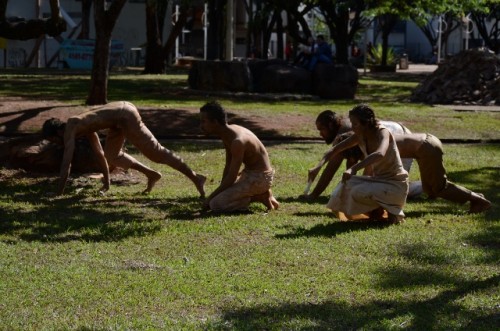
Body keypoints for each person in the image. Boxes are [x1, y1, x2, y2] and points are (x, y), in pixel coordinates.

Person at [42, 101, 206, 196]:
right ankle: (152, 175)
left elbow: (66, 162)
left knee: (156, 153)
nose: (57, 144)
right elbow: (101, 155)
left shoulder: (72, 125)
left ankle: (196, 178)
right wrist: (106, 184)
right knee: (111, 155)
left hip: (125, 114)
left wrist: (58, 192)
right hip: (117, 121)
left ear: (58, 132)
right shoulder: (84, 128)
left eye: (54, 140)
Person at [309, 104, 409, 223]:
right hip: (379, 181)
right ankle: (376, 212)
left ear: (366, 123)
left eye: (355, 124)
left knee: (358, 191)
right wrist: (318, 167)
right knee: (346, 184)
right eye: (351, 123)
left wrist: (354, 168)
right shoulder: (360, 135)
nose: (352, 127)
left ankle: (392, 212)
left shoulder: (382, 132)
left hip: (395, 184)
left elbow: (380, 153)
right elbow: (335, 150)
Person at [301, 109, 419, 200]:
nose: (320, 134)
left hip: (399, 136)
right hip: (383, 144)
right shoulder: (350, 133)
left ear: (331, 126)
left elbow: (333, 166)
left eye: (321, 129)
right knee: (371, 186)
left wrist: (314, 195)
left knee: (390, 185)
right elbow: (341, 159)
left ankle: (422, 188)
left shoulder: (345, 133)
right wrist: (318, 167)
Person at [199, 101, 279, 212]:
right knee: (218, 198)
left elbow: (232, 177)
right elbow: (228, 165)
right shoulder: (227, 133)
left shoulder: (238, 142)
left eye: (203, 122)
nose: (201, 126)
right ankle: (259, 193)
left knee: (216, 204)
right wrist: (221, 191)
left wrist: (210, 198)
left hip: (259, 178)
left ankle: (258, 196)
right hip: (249, 174)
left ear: (215, 122)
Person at [395, 133, 491, 213]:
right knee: (429, 188)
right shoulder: (381, 134)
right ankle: (475, 196)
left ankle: (479, 201)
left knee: (439, 188)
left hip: (426, 146)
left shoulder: (381, 139)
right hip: (427, 143)